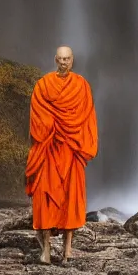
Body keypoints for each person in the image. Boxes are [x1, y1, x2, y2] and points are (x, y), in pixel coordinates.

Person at [25, 45, 98, 263]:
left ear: (72, 60)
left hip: (71, 150)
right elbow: (37, 117)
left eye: (68, 59)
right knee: (45, 199)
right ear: (55, 59)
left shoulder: (82, 86)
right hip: (49, 149)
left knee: (71, 199)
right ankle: (46, 251)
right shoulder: (43, 85)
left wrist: (76, 139)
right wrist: (51, 126)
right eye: (61, 59)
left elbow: (87, 118)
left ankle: (68, 251)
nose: (64, 62)